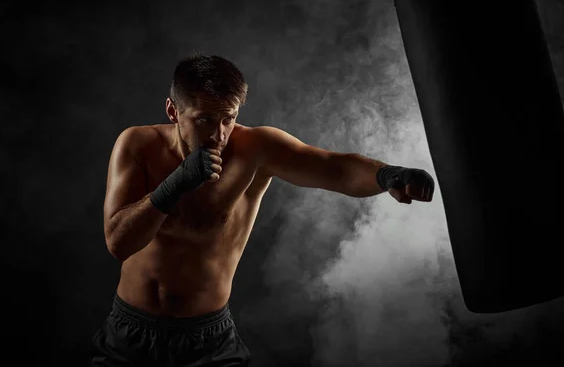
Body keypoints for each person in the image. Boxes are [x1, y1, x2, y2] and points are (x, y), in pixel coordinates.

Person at [90, 53, 435, 366]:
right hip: (129, 335)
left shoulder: (256, 149)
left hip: (208, 341)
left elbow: (334, 168)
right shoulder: (137, 144)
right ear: (173, 111)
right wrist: (176, 184)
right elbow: (119, 243)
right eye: (205, 120)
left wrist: (386, 173)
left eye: (228, 118)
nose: (219, 134)